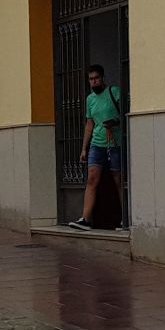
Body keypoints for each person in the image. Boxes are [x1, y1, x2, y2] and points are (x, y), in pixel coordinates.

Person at [69, 65, 123, 231]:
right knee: (92, 178)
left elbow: (124, 113)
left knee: (118, 179)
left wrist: (113, 123)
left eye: (96, 78)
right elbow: (89, 124)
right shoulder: (90, 99)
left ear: (103, 78)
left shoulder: (114, 92)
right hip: (97, 143)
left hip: (115, 142)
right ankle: (85, 219)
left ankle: (125, 218)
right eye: (91, 79)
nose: (94, 82)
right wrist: (84, 148)